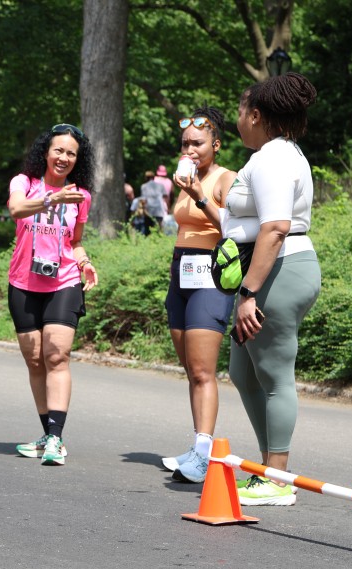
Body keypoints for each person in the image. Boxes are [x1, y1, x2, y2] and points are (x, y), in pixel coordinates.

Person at [226, 73, 320, 507]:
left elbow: (276, 228)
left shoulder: (274, 159)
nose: (237, 119)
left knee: (275, 376)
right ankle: (268, 472)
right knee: (244, 373)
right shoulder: (275, 154)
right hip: (270, 271)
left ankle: (277, 479)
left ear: (256, 115)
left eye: (240, 111)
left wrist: (248, 293)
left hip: (278, 272)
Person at [7, 124, 99, 466]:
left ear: (78, 159)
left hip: (64, 282)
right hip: (23, 283)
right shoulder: (24, 183)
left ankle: (56, 439)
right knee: (35, 360)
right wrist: (52, 198)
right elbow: (17, 209)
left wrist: (85, 262)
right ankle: (47, 435)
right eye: (58, 150)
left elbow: (75, 241)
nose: (64, 158)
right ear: (45, 152)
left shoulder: (81, 195)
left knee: (57, 356)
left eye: (71, 153)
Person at [159, 108, 238, 483]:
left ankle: (206, 455)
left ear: (216, 144)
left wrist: (200, 196)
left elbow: (234, 228)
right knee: (191, 368)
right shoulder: (185, 178)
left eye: (198, 143)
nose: (189, 150)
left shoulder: (226, 179)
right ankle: (197, 447)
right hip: (181, 274)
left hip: (211, 275)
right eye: (185, 143)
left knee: (204, 370)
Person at [136, 171, 167, 235]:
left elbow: (143, 200)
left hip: (148, 211)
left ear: (146, 178)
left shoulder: (144, 186)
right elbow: (165, 196)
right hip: (159, 210)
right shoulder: (160, 185)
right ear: (153, 177)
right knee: (158, 230)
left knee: (148, 231)